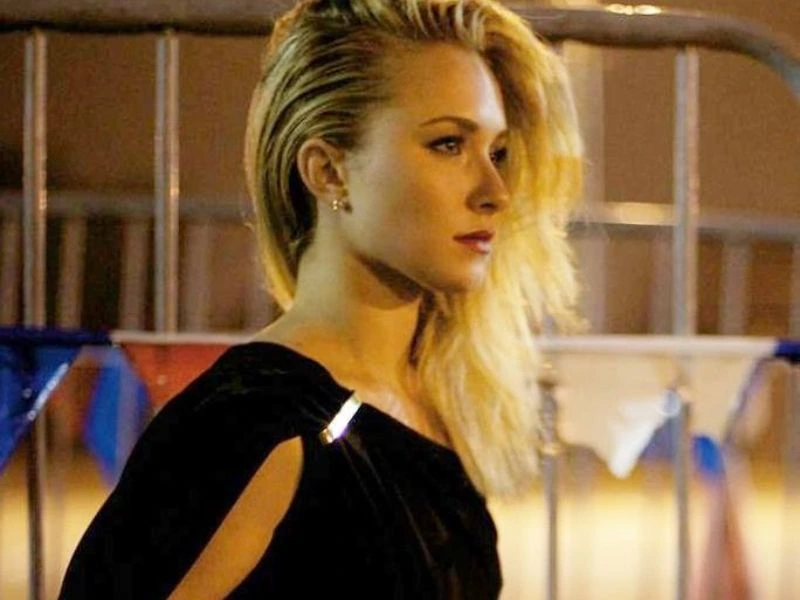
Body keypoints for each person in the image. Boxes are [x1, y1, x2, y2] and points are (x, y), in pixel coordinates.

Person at [59, 0, 582, 597]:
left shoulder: (429, 403)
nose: (495, 191)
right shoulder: (254, 423)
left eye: (497, 152)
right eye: (447, 144)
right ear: (328, 172)